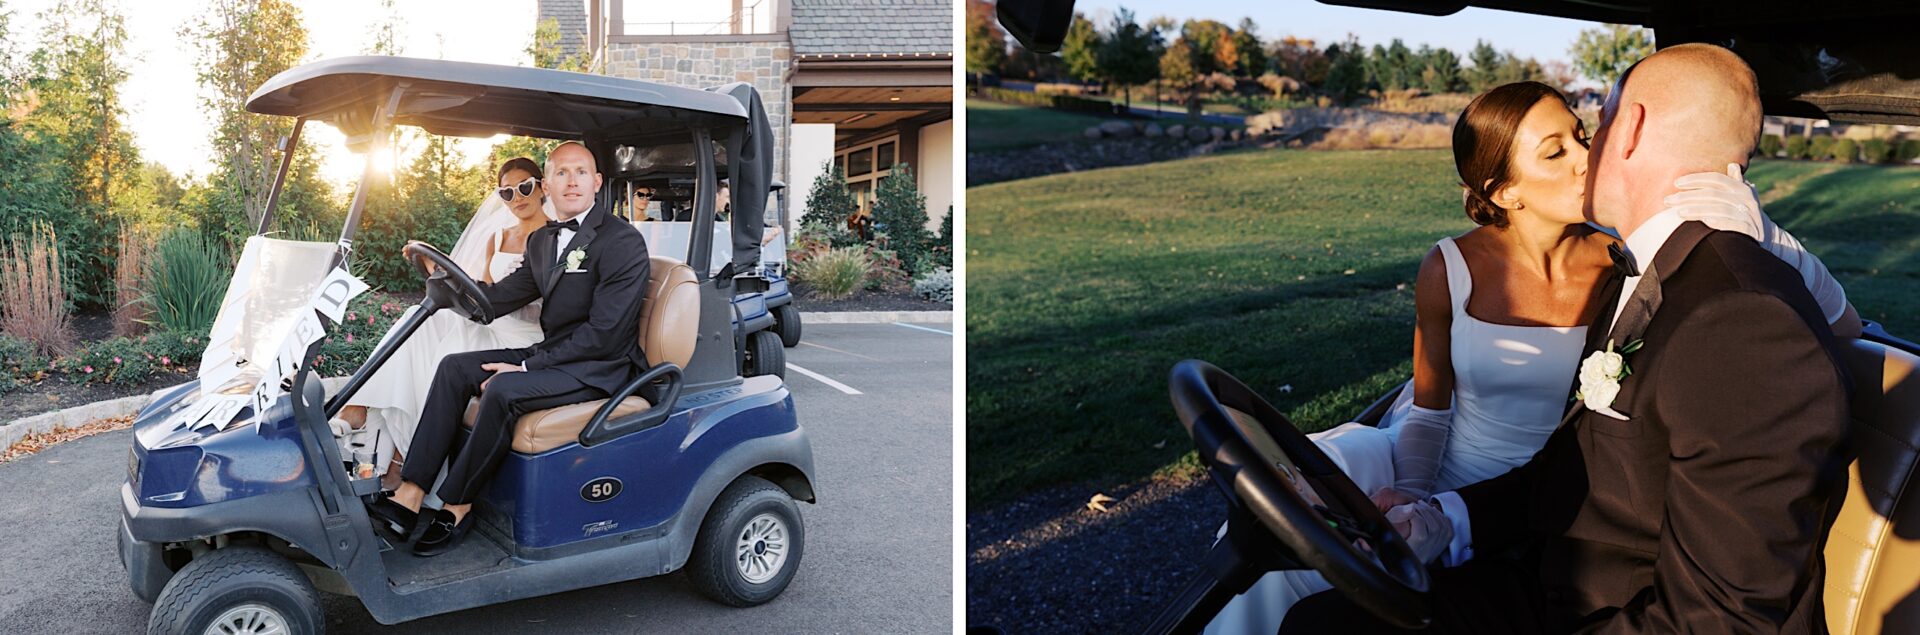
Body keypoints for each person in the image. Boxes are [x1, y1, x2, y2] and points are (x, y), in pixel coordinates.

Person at [1214, 66, 1858, 634]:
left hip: (1589, 578)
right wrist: (1438, 515)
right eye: (1559, 148)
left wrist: (1756, 228)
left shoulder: (1701, 301)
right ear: (1503, 191)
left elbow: (1718, 614)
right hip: (1522, 514)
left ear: (1627, 130)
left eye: (1589, 130)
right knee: (1300, 566)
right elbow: (1539, 447)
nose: (1585, 154)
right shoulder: (1615, 272)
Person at [370, 141, 654, 556]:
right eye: (561, 173)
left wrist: (526, 368)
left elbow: (605, 335)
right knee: (454, 368)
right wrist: (446, 281)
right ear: (549, 185)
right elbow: (500, 297)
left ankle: (458, 504)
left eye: (580, 172)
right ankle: (410, 495)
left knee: (503, 390)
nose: (571, 181)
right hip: (556, 355)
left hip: (599, 367)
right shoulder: (544, 241)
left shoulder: (622, 242)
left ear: (596, 182)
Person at [330, 157, 554, 490]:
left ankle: (407, 463)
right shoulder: (498, 237)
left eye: (524, 187)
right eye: (507, 193)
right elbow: (481, 288)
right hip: (490, 320)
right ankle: (359, 408)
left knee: (454, 341)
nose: (517, 198)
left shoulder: (553, 239)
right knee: (417, 320)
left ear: (541, 187)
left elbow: (524, 298)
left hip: (523, 332)